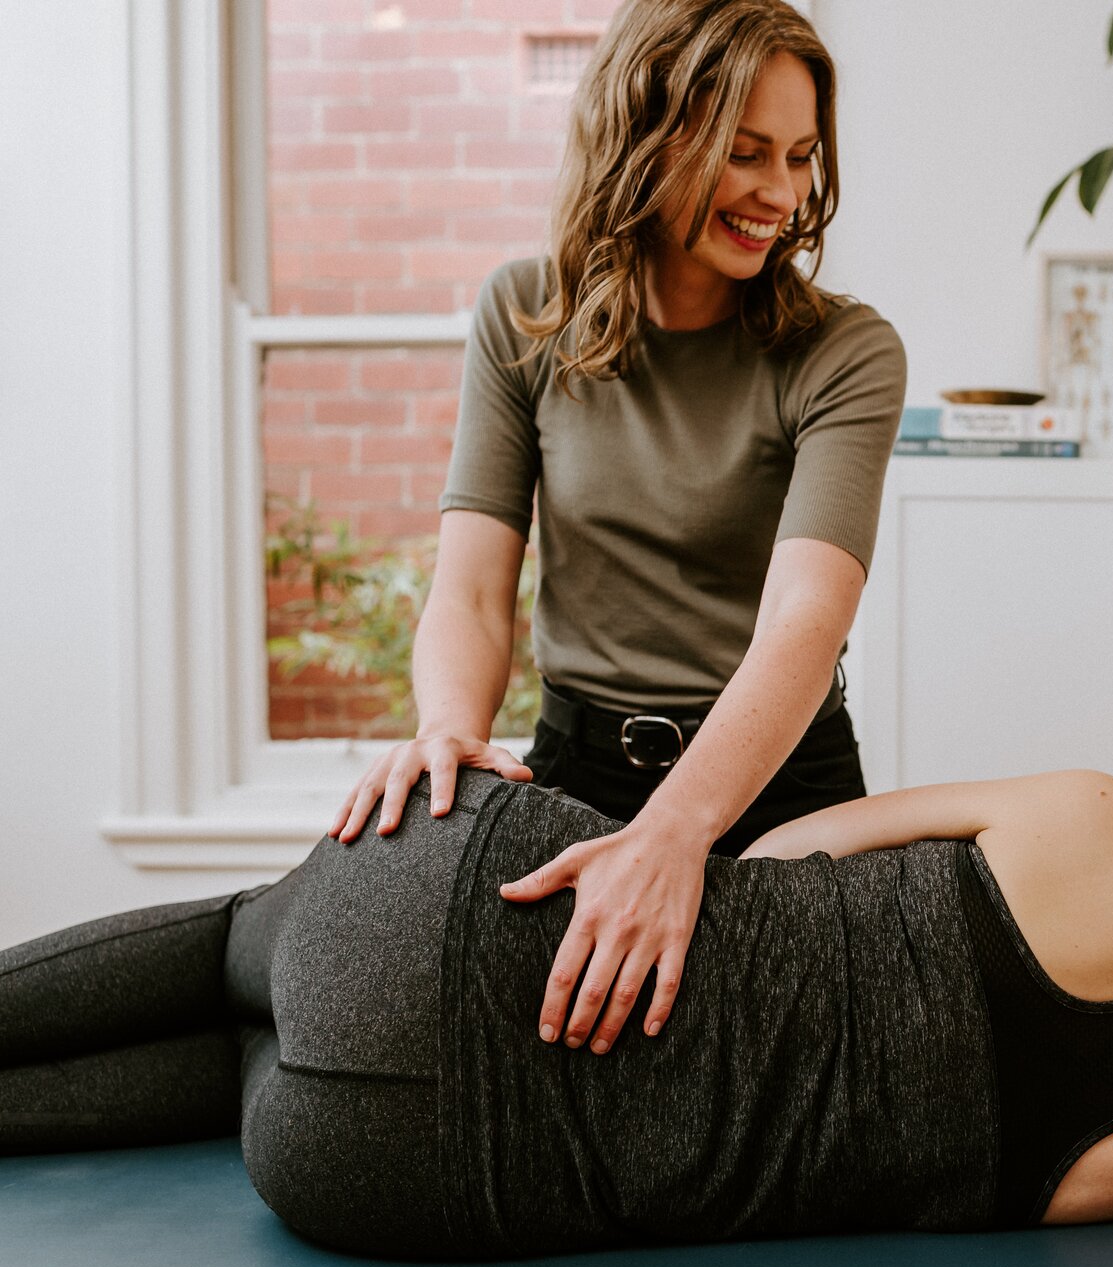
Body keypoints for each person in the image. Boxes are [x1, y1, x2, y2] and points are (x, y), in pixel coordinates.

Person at [0, 769, 1113, 1260]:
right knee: (242, 1056)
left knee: (229, 951)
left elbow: (777, 850)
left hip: (451, 929)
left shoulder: (1104, 836)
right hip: (383, 1174)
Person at [330, 0, 907, 1064]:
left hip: (781, 783)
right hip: (577, 774)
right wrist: (449, 725)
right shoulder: (524, 314)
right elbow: (468, 588)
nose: (779, 193)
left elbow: (803, 623)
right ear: (648, 134)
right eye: (744, 153)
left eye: (797, 155)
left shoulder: (844, 351)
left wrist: (677, 830)